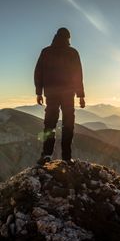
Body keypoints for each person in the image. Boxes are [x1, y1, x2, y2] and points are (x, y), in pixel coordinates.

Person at [34, 27, 85, 166]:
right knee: (68, 124)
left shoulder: (46, 52)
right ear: (68, 38)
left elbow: (38, 72)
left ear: (56, 36)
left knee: (49, 124)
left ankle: (46, 155)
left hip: (51, 93)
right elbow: (78, 75)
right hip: (68, 94)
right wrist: (80, 95)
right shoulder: (72, 53)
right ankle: (67, 157)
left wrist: (39, 92)